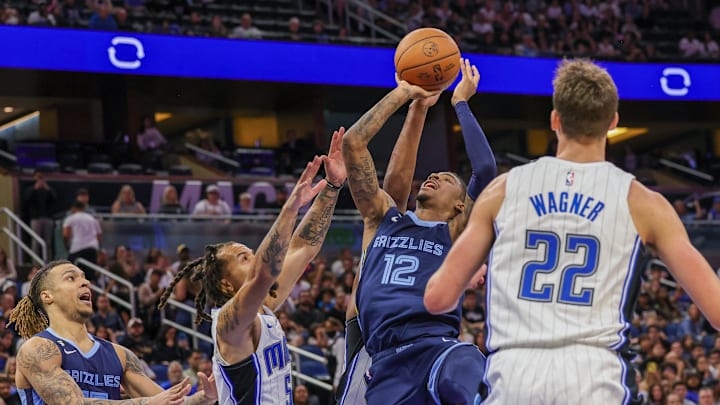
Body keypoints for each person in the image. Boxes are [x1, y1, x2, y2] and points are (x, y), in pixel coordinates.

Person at [425, 59, 720, 404]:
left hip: (514, 375)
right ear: (613, 123)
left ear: (554, 120)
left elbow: (437, 298)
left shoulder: (503, 190)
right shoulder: (644, 202)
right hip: (596, 378)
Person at [339, 58, 496, 405]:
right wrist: (405, 94)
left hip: (434, 347)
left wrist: (461, 103)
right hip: (383, 359)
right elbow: (353, 144)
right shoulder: (383, 219)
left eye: (448, 178)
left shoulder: (456, 231)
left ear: (460, 204)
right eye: (435, 174)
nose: (436, 176)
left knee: (465, 369)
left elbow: (484, 168)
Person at [158, 130, 346, 404]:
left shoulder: (266, 305)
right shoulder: (227, 323)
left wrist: (332, 186)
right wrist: (291, 207)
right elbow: (264, 272)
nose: (255, 258)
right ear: (225, 283)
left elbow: (303, 247)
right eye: (244, 258)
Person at [8, 260, 217, 404]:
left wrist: (206, 397)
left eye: (84, 277)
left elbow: (168, 401)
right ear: (47, 296)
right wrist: (149, 403)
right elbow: (72, 403)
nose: (85, 282)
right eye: (70, 278)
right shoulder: (37, 348)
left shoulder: (119, 354)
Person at [63, 201, 102, 282]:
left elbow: (66, 234)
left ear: (73, 208)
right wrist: (97, 250)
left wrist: (66, 246)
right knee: (89, 276)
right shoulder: (92, 219)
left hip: (77, 249)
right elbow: (99, 236)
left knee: (69, 272)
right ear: (83, 208)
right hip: (92, 249)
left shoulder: (70, 218)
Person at [22, 171, 57, 259]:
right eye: (38, 177)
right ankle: (35, 261)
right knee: (36, 241)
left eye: (42, 177)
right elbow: (26, 200)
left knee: (48, 242)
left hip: (48, 218)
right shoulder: (30, 189)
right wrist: (35, 189)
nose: (40, 179)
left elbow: (55, 200)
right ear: (35, 178)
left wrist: (47, 189)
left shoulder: (49, 189)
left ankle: (48, 261)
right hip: (36, 218)